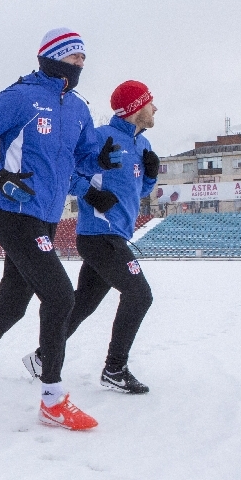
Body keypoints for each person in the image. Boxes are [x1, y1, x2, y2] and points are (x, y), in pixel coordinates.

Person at [0, 28, 119, 431]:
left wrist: (100, 160)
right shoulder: (20, 97)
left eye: (84, 60)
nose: (80, 66)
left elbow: (79, 164)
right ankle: (53, 399)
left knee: (10, 307)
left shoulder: (78, 109)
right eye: (75, 58)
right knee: (59, 296)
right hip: (16, 215)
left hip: (48, 218)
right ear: (53, 56)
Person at [23, 80, 159, 394]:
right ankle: (115, 368)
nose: (155, 109)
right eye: (150, 102)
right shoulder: (99, 137)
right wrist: (92, 195)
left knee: (82, 303)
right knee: (140, 294)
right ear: (135, 108)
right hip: (99, 235)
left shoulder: (143, 146)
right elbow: (66, 174)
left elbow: (140, 192)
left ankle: (43, 357)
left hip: (115, 236)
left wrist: (151, 174)